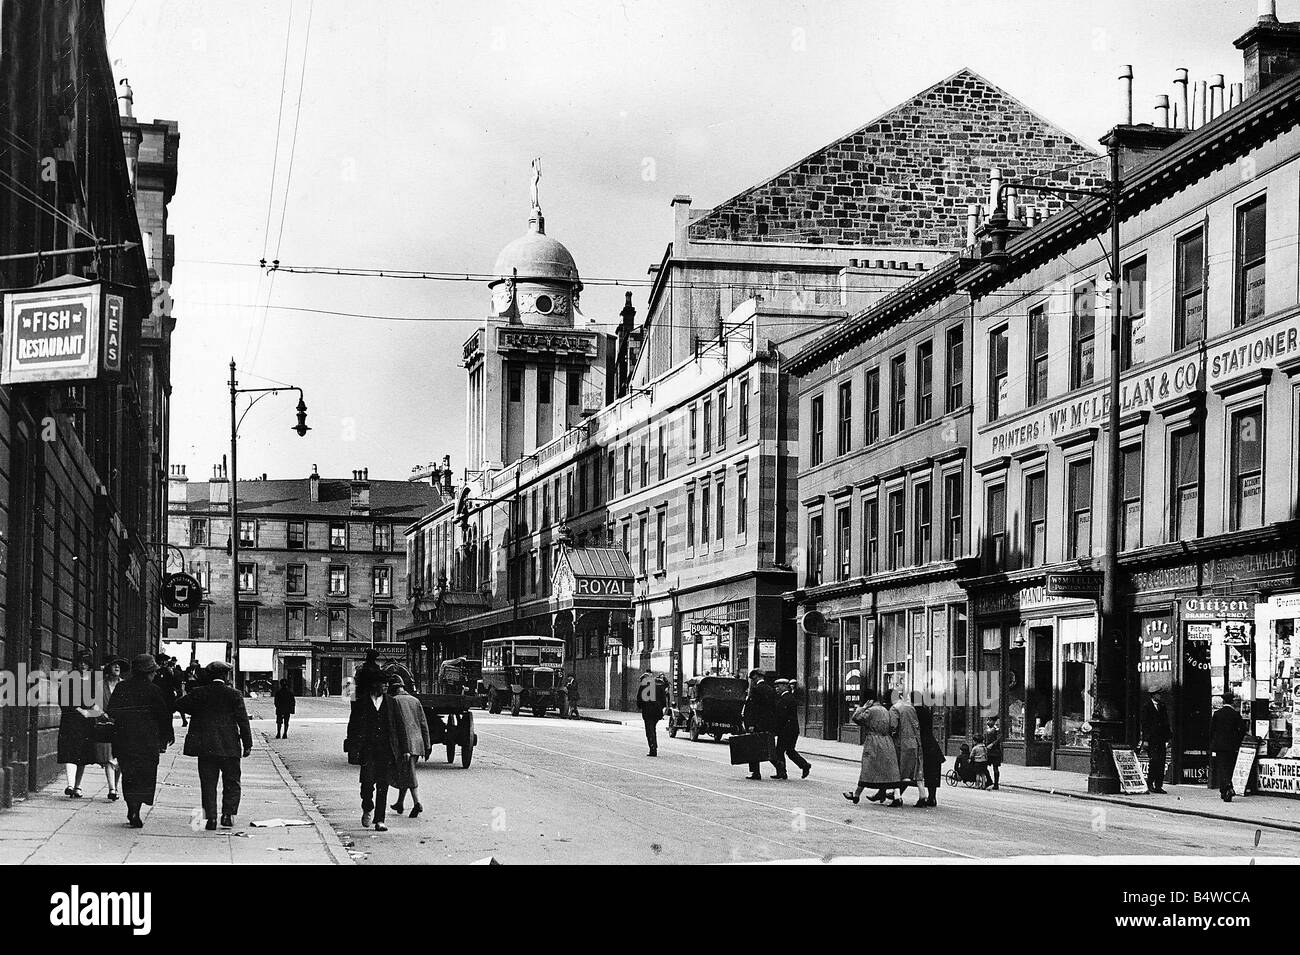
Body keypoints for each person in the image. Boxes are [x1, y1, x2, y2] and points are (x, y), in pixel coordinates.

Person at [175, 661, 253, 830]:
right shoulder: (234, 694)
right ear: (226, 676)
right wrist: (247, 744)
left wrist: (197, 710)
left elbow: (179, 704)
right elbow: (243, 721)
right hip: (229, 746)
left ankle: (210, 818)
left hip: (206, 746)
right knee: (232, 781)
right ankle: (227, 815)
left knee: (208, 783)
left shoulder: (199, 693)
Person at [105, 654, 174, 828]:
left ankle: (132, 807)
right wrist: (167, 736)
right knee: (146, 775)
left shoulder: (122, 687)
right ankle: (137, 808)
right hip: (148, 742)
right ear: (149, 673)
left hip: (124, 740)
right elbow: (163, 716)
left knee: (129, 774)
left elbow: (112, 710)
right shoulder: (154, 690)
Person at [346, 670, 398, 831]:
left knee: (383, 783)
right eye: (383, 684)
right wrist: (352, 748)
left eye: (387, 684)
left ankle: (380, 819)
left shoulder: (391, 702)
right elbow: (353, 726)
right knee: (367, 783)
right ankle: (367, 806)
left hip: (385, 749)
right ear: (374, 685)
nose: (386, 686)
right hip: (367, 749)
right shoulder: (361, 703)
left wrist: (403, 749)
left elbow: (398, 726)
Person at [386, 671, 432, 818]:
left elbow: (393, 726)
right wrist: (427, 744)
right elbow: (423, 724)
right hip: (417, 743)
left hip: (404, 744)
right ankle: (400, 802)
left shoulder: (394, 701)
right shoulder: (415, 700)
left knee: (409, 774)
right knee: (406, 772)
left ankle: (417, 803)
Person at [844, 690, 901, 806]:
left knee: (868, 769)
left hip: (873, 742)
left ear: (868, 700)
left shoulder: (870, 711)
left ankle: (856, 794)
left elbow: (856, 718)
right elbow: (892, 726)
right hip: (887, 741)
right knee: (890, 771)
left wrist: (863, 707)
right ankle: (897, 796)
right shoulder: (885, 710)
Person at [56, 653, 98, 799]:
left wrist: (91, 711)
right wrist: (78, 709)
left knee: (82, 755)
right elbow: (63, 700)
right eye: (80, 662)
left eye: (86, 663)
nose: (83, 665)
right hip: (71, 721)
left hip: (86, 722)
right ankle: (70, 784)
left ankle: (77, 786)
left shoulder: (93, 681)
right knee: (70, 751)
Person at [741, 669, 784, 779]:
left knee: (754, 748)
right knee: (768, 747)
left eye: (753, 678)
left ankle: (756, 772)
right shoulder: (770, 689)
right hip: (768, 724)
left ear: (757, 677)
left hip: (757, 724)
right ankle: (780, 767)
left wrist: (750, 724)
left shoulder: (756, 690)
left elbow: (753, 709)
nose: (753, 680)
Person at [95, 659, 126, 801]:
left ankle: (115, 785)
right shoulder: (100, 685)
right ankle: (112, 789)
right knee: (108, 757)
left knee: (119, 758)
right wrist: (101, 713)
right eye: (114, 665)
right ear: (108, 668)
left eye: (119, 665)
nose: (117, 667)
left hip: (121, 725)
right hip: (105, 724)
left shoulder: (125, 685)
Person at [892, 689, 926, 807]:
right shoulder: (911, 708)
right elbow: (916, 726)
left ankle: (897, 797)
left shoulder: (895, 708)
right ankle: (922, 795)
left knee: (898, 771)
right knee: (917, 771)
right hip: (915, 742)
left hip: (902, 743)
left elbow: (893, 726)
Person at [1210, 693, 1246, 802]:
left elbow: (1212, 731)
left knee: (1222, 768)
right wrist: (1237, 741)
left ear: (1223, 702)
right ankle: (1226, 788)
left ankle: (1226, 788)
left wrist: (1213, 743)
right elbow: (1242, 730)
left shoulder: (1217, 714)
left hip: (1220, 746)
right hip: (1232, 746)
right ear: (1232, 702)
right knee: (1230, 767)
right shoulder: (1235, 714)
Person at [774, 679, 811, 779]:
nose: (777, 688)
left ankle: (782, 772)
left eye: (779, 686)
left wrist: (776, 729)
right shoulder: (786, 698)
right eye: (776, 686)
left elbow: (782, 717)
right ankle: (804, 765)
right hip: (792, 729)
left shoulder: (786, 699)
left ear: (785, 687)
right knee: (790, 751)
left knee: (779, 751)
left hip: (787, 730)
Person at [914, 692, 945, 808]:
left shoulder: (914, 712)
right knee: (932, 772)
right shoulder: (927, 710)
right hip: (932, 744)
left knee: (914, 770)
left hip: (922, 744)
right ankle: (932, 797)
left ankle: (897, 794)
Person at [1140, 688, 1172, 794]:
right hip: (1152, 739)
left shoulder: (1162, 706)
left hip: (1161, 739)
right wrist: (1145, 740)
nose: (1160, 696)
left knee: (1161, 762)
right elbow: (1145, 725)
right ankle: (1150, 783)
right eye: (1158, 694)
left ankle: (1159, 785)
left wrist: (1168, 738)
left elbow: (1166, 722)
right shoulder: (1146, 707)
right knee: (1154, 761)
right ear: (1153, 695)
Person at [637, 671, 670, 757]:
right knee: (653, 728)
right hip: (657, 711)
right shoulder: (658, 686)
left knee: (649, 730)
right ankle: (654, 746)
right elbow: (663, 700)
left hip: (647, 711)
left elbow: (639, 700)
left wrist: (640, 706)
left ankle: (653, 747)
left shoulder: (643, 686)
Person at [983, 715, 1004, 790]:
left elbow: (999, 739)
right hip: (988, 752)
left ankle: (996, 784)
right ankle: (989, 780)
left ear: (994, 721)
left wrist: (992, 744)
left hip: (995, 752)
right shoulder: (987, 730)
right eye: (987, 720)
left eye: (990, 720)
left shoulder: (997, 730)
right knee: (983, 766)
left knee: (995, 768)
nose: (988, 722)